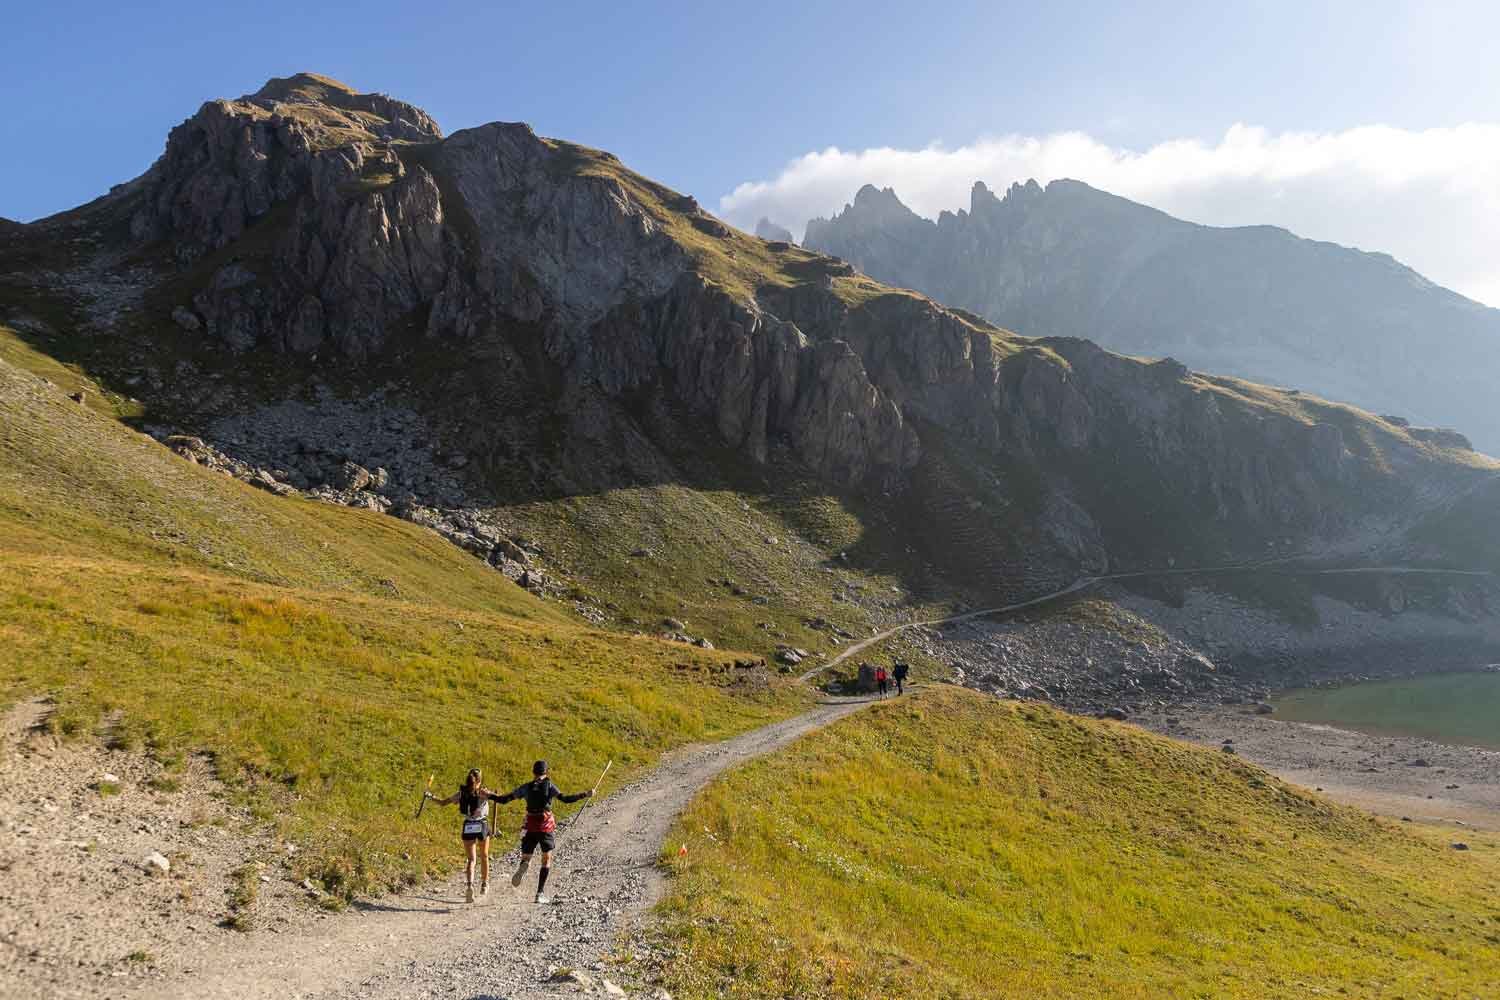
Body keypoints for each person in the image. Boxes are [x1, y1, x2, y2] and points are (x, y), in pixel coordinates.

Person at [495, 760, 593, 904]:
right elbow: (565, 799)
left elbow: (504, 799)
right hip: (545, 825)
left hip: (530, 825)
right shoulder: (549, 786)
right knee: (546, 859)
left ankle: (524, 864)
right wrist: (585, 794)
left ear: (533, 772)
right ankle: (539, 893)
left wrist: (490, 795)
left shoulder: (526, 787)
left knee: (527, 855)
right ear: (546, 772)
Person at [425, 767, 500, 903]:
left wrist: (430, 797)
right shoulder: (483, 792)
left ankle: (470, 886)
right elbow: (499, 799)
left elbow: (443, 803)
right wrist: (494, 794)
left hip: (468, 826)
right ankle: (484, 884)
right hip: (481, 825)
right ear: (479, 780)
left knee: (471, 860)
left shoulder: (461, 793)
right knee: (484, 856)